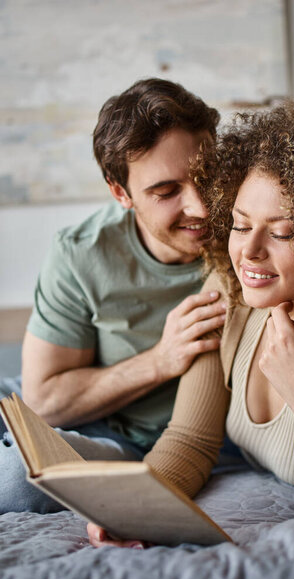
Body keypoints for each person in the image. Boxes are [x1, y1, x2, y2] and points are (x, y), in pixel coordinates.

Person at [89, 100, 294, 546]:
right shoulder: (229, 290)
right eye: (239, 224)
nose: (249, 252)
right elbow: (191, 440)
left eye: (283, 232)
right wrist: (138, 507)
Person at [0, 78, 228, 513]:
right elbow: (44, 397)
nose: (200, 207)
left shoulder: (252, 233)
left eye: (208, 176)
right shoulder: (82, 253)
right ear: (120, 192)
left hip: (134, 439)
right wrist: (162, 359)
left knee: (15, 478)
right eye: (166, 192)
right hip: (71, 403)